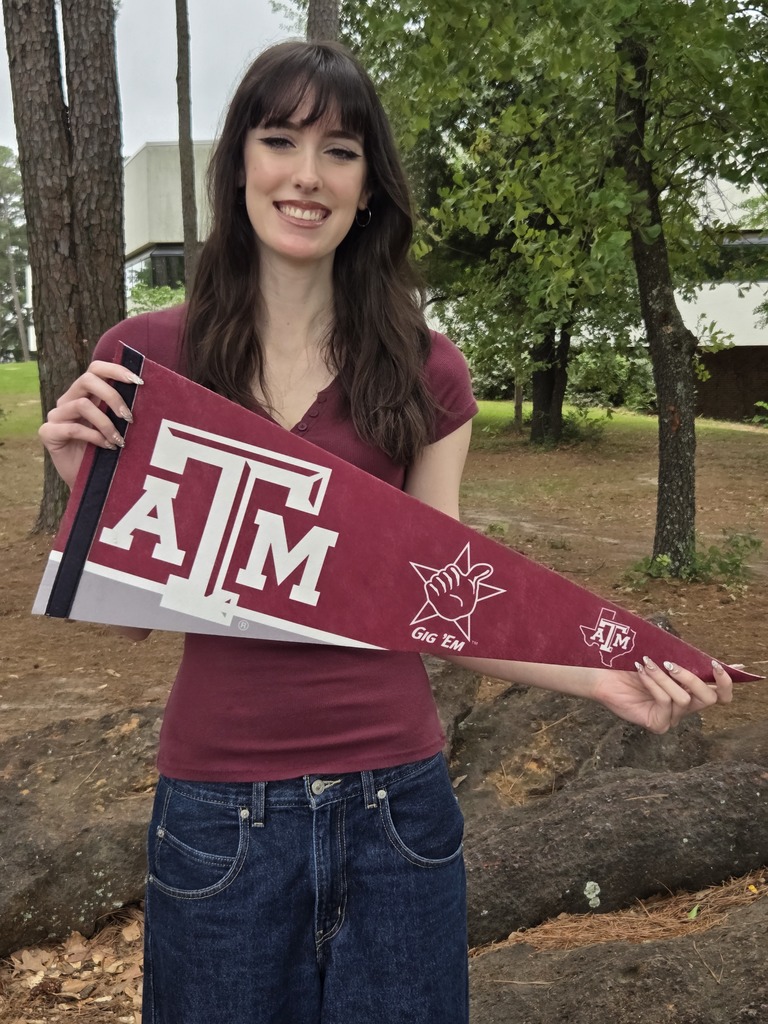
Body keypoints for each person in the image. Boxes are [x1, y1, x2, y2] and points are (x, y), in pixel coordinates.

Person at [39, 39, 733, 1024]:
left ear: (371, 187)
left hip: (395, 814)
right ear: (240, 162)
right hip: (217, 818)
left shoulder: (426, 371)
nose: (306, 175)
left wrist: (602, 676)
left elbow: (446, 600)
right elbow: (125, 627)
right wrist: (88, 492)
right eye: (280, 140)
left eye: (341, 150)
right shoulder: (146, 359)